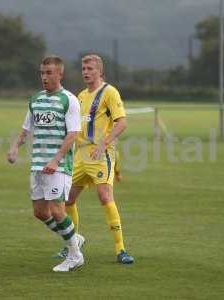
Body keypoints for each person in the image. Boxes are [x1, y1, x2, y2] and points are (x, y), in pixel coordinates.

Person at [7, 55, 84, 272]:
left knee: (58, 210)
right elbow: (26, 129)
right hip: (38, 165)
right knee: (40, 212)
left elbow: (73, 134)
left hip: (59, 165)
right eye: (42, 73)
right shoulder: (36, 99)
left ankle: (75, 255)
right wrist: (14, 147)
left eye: (49, 73)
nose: (44, 77)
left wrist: (56, 159)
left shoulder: (69, 99)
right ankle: (74, 238)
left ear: (60, 74)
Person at [61, 54, 134, 264]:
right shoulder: (81, 96)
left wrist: (103, 143)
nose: (86, 71)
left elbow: (122, 123)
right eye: (83, 68)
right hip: (80, 154)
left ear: (100, 71)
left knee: (104, 195)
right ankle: (73, 245)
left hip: (101, 153)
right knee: (67, 199)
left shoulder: (109, 92)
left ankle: (121, 250)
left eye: (90, 68)